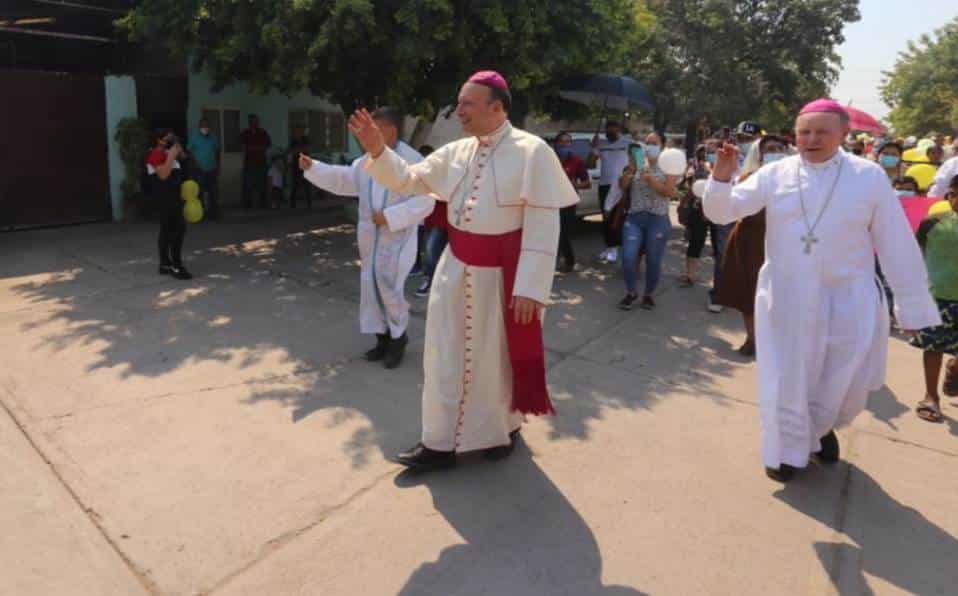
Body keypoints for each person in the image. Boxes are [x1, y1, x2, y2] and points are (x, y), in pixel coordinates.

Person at [349, 71, 578, 471]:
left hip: (502, 279)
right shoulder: (455, 152)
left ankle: (502, 429)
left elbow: (545, 224)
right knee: (442, 358)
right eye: (459, 103)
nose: (459, 111)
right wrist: (377, 152)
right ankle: (437, 444)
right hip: (454, 270)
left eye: (467, 104)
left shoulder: (533, 151)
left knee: (496, 363)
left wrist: (530, 287)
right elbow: (410, 179)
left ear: (497, 107)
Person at [703, 99, 940, 483]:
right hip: (787, 296)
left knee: (840, 378)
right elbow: (722, 212)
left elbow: (896, 242)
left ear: (844, 134)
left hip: (849, 296)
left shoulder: (869, 177)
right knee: (787, 377)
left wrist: (911, 308)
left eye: (820, 132)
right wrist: (721, 177)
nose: (810, 139)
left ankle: (819, 429)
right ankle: (785, 450)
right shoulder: (774, 173)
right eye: (803, 132)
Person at [299, 107, 434, 369]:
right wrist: (314, 168)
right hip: (370, 239)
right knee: (371, 287)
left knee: (390, 288)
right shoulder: (366, 161)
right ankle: (382, 338)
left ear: (391, 131)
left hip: (397, 239)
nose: (367, 134)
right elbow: (345, 179)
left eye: (374, 128)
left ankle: (398, 339)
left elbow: (426, 201)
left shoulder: (413, 161)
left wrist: (391, 216)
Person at [714, 135, 789, 357]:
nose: (774, 152)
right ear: (760, 155)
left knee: (779, 297)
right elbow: (730, 207)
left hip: (782, 245)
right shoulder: (748, 178)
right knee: (749, 294)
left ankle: (775, 341)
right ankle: (752, 339)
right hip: (749, 242)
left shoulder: (796, 181)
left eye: (778, 148)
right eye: (769, 149)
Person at [910, 175, 958, 423]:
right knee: (933, 348)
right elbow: (915, 254)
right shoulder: (932, 223)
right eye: (954, 194)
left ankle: (954, 368)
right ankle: (931, 396)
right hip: (937, 298)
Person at [617, 132, 678, 311]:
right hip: (634, 218)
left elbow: (670, 192)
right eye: (647, 143)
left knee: (653, 260)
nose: (650, 146)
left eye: (654, 143)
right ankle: (631, 292)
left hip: (657, 219)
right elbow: (622, 186)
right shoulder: (638, 162)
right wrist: (630, 170)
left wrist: (650, 180)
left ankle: (648, 295)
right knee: (628, 257)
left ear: (663, 145)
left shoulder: (669, 166)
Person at [146, 129, 192, 280]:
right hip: (165, 198)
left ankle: (165, 264)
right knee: (177, 230)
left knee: (167, 230)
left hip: (174, 197)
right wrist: (171, 155)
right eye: (169, 137)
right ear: (159, 140)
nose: (172, 139)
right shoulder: (155, 154)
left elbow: (184, 157)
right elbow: (164, 175)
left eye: (173, 137)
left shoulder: (167, 153)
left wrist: (176, 150)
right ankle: (176, 266)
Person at [588, 121, 631, 263]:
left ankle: (616, 249)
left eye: (612, 128)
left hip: (622, 185)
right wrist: (593, 148)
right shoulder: (601, 144)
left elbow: (637, 162)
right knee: (606, 217)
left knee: (618, 217)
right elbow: (590, 164)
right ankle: (608, 247)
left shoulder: (628, 143)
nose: (609, 130)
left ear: (619, 129)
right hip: (605, 185)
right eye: (607, 128)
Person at [679, 143, 714, 287]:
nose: (703, 154)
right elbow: (689, 185)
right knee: (695, 242)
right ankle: (690, 275)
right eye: (701, 151)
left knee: (716, 246)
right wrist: (684, 203)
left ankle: (717, 280)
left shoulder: (714, 165)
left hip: (714, 208)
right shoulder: (693, 165)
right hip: (697, 209)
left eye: (706, 151)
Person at [555, 131, 591, 273]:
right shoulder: (549, 159)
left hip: (568, 202)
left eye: (568, 142)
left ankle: (569, 261)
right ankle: (550, 261)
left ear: (571, 144)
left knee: (563, 233)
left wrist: (574, 185)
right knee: (550, 233)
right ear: (555, 144)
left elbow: (587, 183)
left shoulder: (576, 161)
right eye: (561, 142)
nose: (564, 144)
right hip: (550, 201)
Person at [415, 144, 448, 298]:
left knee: (431, 249)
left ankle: (430, 281)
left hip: (442, 221)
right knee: (429, 250)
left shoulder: (443, 174)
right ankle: (430, 278)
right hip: (429, 219)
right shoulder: (426, 174)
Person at [186, 118, 220, 220]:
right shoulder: (194, 138)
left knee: (213, 193)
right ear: (199, 126)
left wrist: (218, 166)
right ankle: (200, 215)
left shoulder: (213, 138)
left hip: (212, 169)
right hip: (199, 170)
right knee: (199, 193)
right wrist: (194, 165)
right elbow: (189, 152)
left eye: (206, 125)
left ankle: (213, 214)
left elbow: (217, 151)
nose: (205, 128)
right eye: (203, 125)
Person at [240, 114, 271, 208]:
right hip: (249, 163)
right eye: (252, 122)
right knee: (248, 185)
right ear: (249, 123)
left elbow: (267, 145)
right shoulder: (245, 133)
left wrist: (254, 148)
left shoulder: (263, 132)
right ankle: (247, 205)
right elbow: (243, 146)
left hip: (261, 163)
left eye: (256, 121)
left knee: (262, 185)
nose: (254, 123)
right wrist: (257, 148)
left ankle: (263, 204)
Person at [288, 126, 313, 208]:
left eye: (300, 130)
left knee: (307, 184)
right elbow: (292, 151)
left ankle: (309, 204)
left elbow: (308, 148)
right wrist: (300, 150)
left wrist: (299, 150)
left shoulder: (305, 139)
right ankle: (293, 204)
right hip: (296, 165)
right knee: (295, 184)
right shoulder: (293, 141)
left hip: (305, 164)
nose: (298, 132)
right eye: (297, 131)